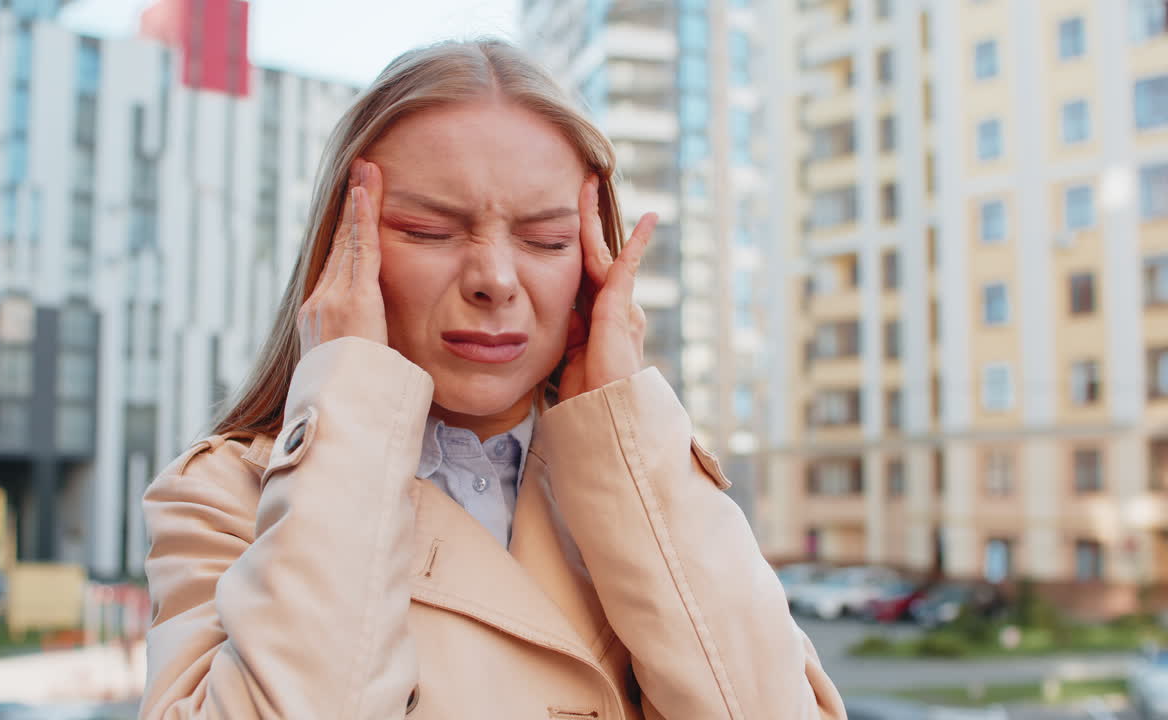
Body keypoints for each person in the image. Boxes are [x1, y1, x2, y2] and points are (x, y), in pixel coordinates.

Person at [140, 39, 846, 719]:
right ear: (341, 252)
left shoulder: (645, 480)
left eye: (545, 241)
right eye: (426, 230)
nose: (496, 281)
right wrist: (349, 397)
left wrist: (627, 429)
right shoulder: (223, 497)